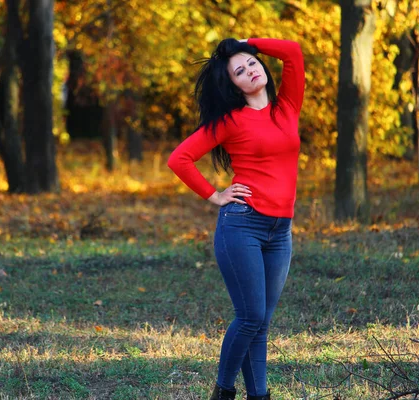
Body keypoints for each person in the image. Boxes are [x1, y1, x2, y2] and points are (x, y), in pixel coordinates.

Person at [167, 37, 305, 400]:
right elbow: (179, 158)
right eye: (239, 71)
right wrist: (215, 195)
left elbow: (291, 51)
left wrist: (245, 44)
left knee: (261, 323)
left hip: (280, 231)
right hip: (242, 225)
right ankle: (223, 391)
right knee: (250, 317)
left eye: (252, 63)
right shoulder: (230, 121)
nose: (250, 70)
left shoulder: (287, 106)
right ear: (234, 85)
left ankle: (258, 396)